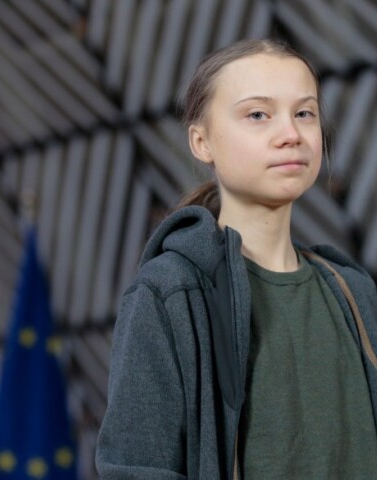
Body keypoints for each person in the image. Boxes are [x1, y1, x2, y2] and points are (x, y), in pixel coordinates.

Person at [95, 38, 377, 479]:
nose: (291, 134)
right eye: (258, 114)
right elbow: (136, 467)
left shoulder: (354, 294)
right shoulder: (172, 292)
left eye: (304, 113)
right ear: (201, 141)